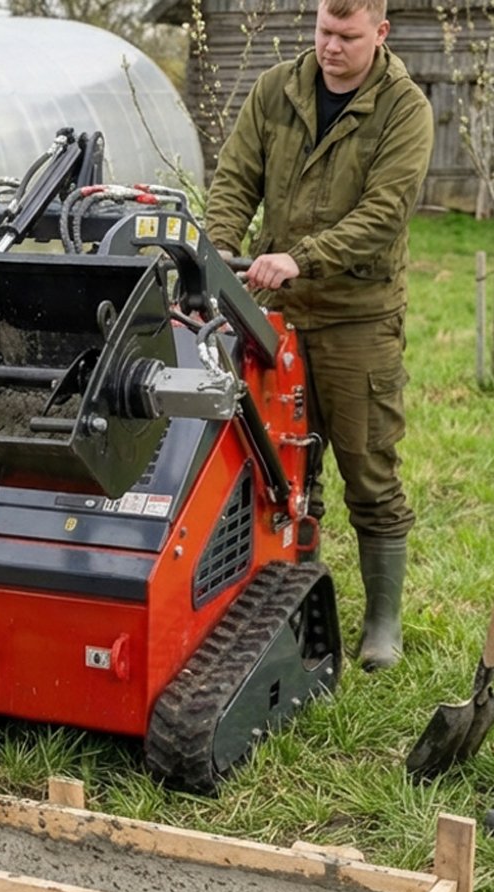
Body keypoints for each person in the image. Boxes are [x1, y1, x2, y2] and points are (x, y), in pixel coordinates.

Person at [204, 0, 434, 671]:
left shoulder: (403, 108)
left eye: (348, 36)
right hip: (272, 316)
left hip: (356, 316)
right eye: (323, 32)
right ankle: (295, 605)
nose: (332, 47)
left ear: (380, 33)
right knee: (284, 472)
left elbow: (385, 212)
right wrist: (219, 258)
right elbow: (234, 181)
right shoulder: (276, 90)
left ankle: (382, 624)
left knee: (368, 469)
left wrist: (304, 256)